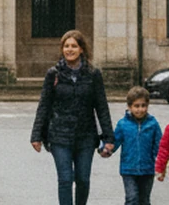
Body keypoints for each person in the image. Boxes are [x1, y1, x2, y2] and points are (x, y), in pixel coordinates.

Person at [30, 29, 115, 205]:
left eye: (74, 46)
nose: (70, 50)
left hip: (85, 136)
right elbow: (44, 105)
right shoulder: (53, 74)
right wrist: (36, 135)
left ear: (82, 49)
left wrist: (108, 137)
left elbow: (101, 107)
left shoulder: (93, 74)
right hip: (60, 135)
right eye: (66, 46)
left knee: (83, 180)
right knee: (65, 179)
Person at [112, 85, 162, 205]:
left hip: (147, 169)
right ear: (129, 107)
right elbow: (114, 142)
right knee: (132, 198)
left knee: (144, 200)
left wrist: (162, 164)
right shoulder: (123, 124)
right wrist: (106, 149)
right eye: (136, 106)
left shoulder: (153, 124)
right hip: (128, 169)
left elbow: (159, 146)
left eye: (143, 106)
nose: (140, 109)